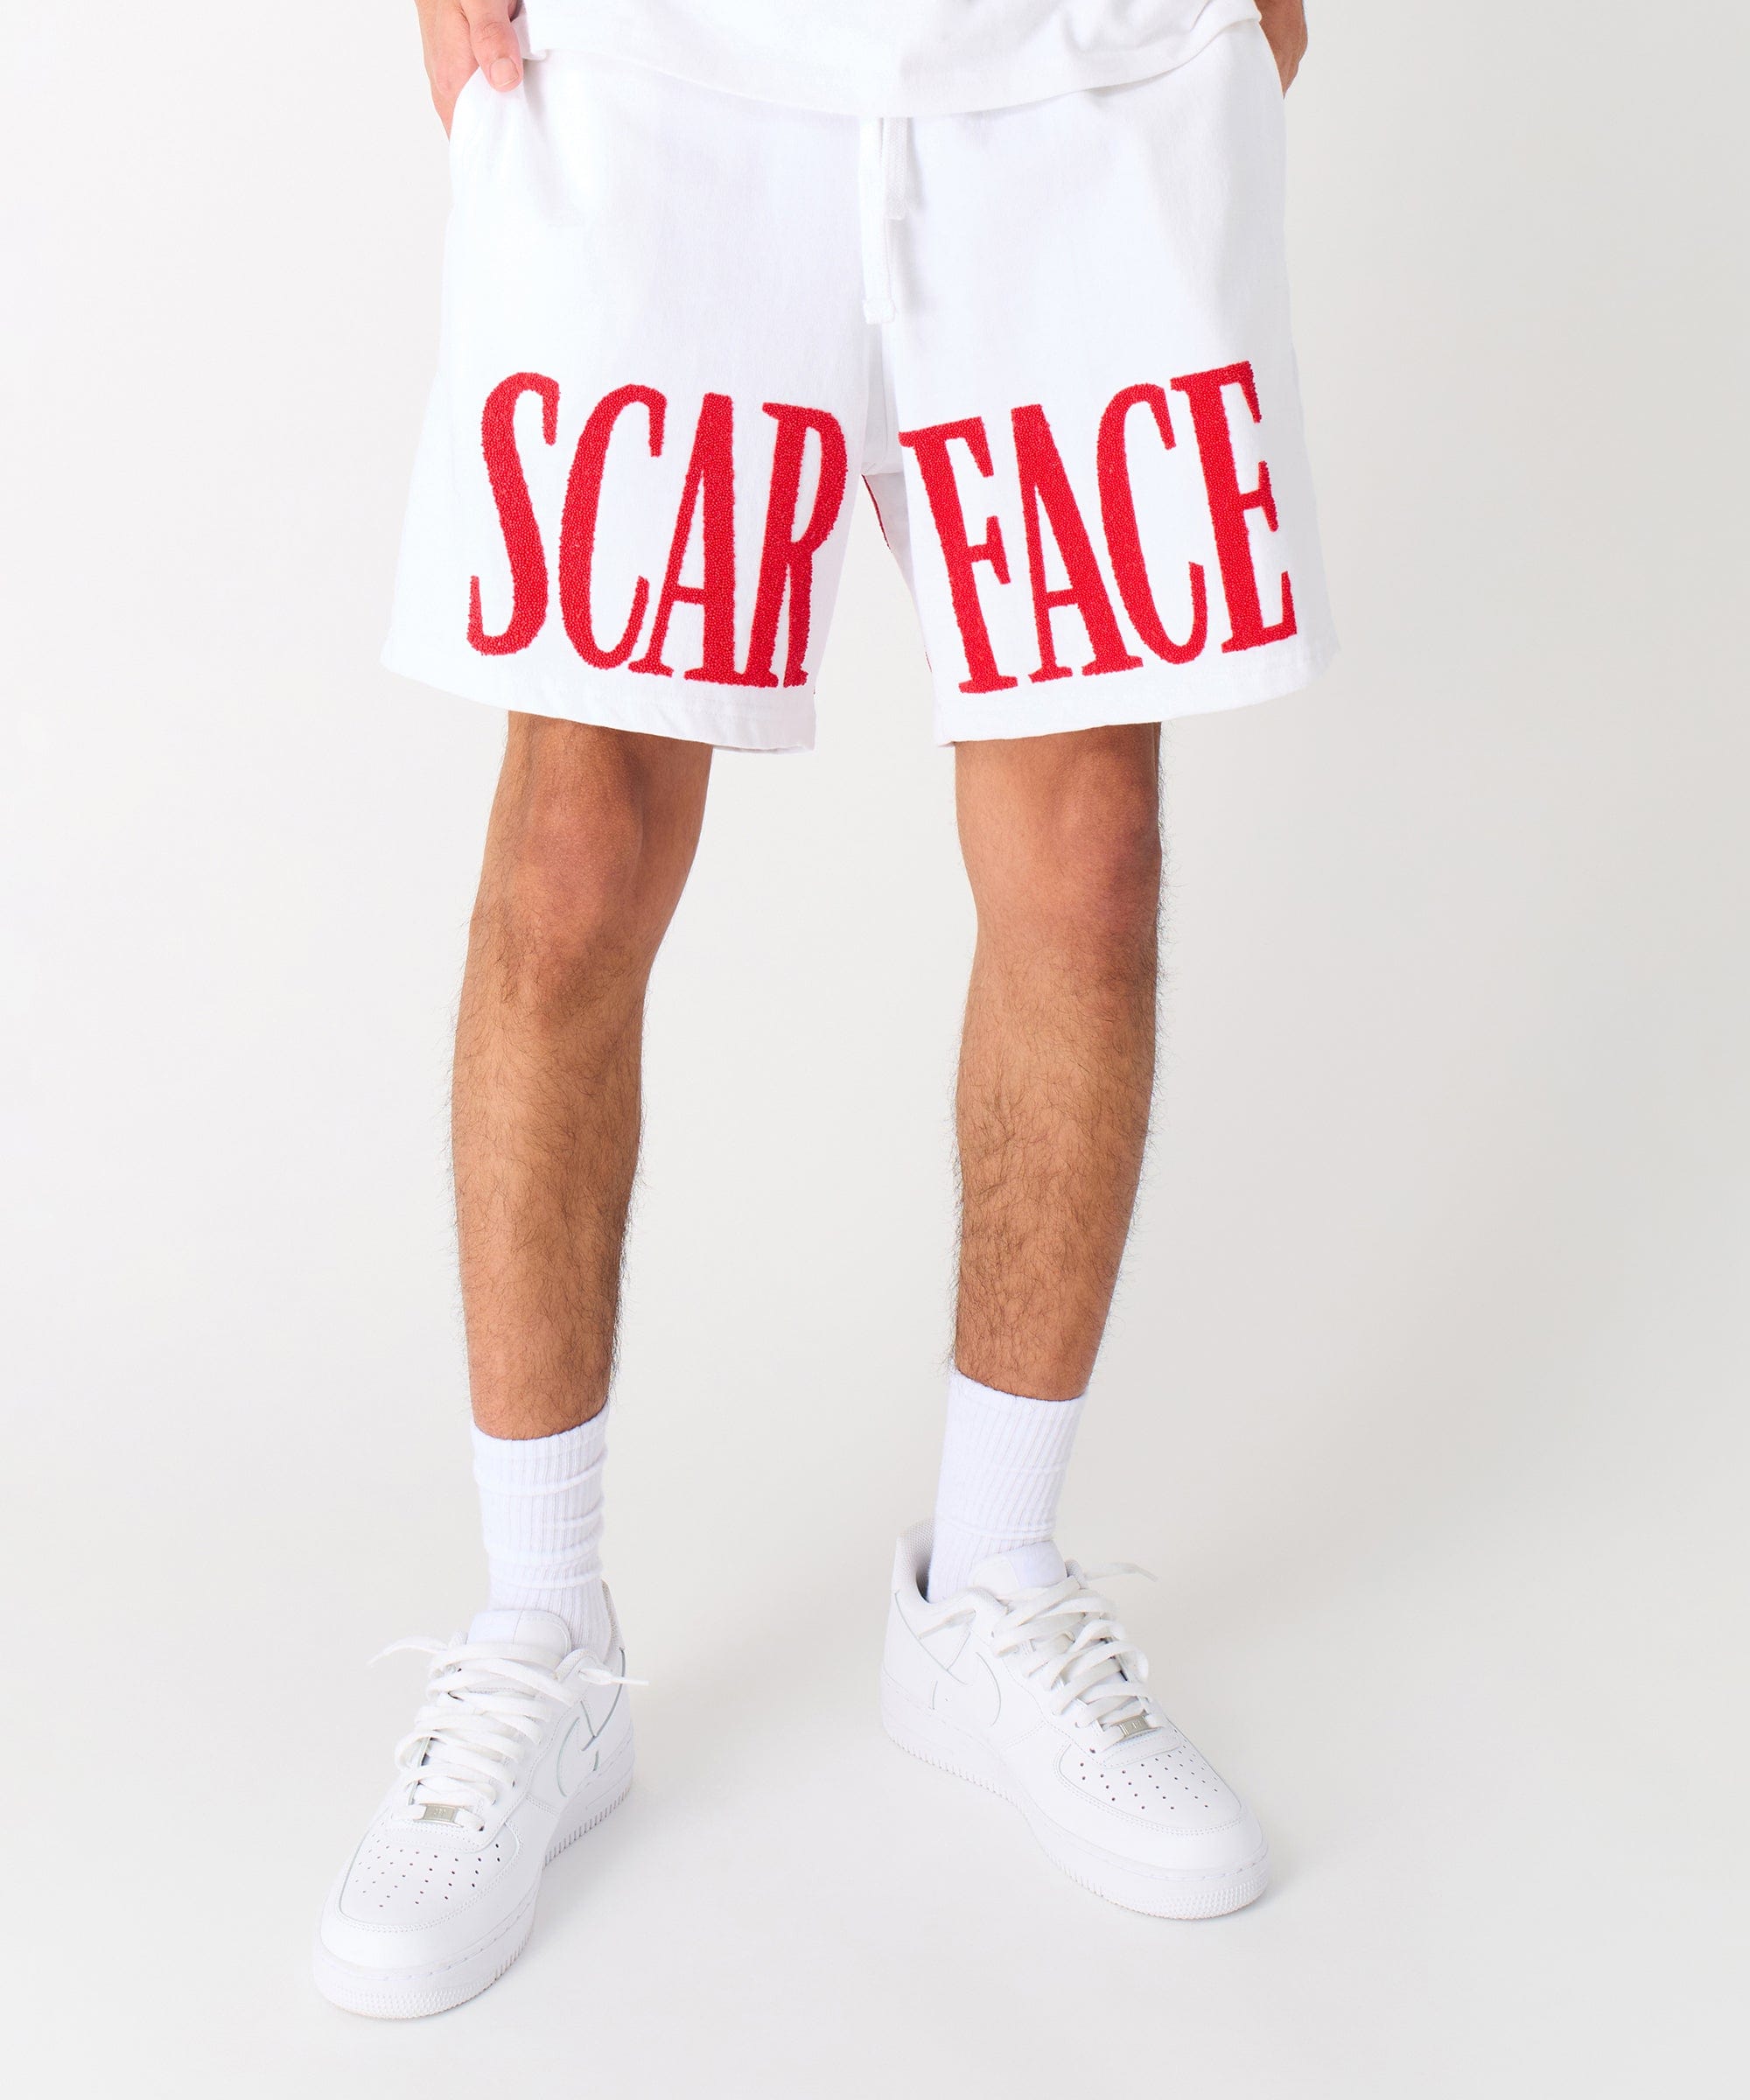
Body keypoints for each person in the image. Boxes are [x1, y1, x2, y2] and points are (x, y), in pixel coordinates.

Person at [315, 0, 1333, 2017]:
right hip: (658, 64)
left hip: (1077, 74)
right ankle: (541, 1632)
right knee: (574, 855)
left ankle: (990, 1584)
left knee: (1087, 851)